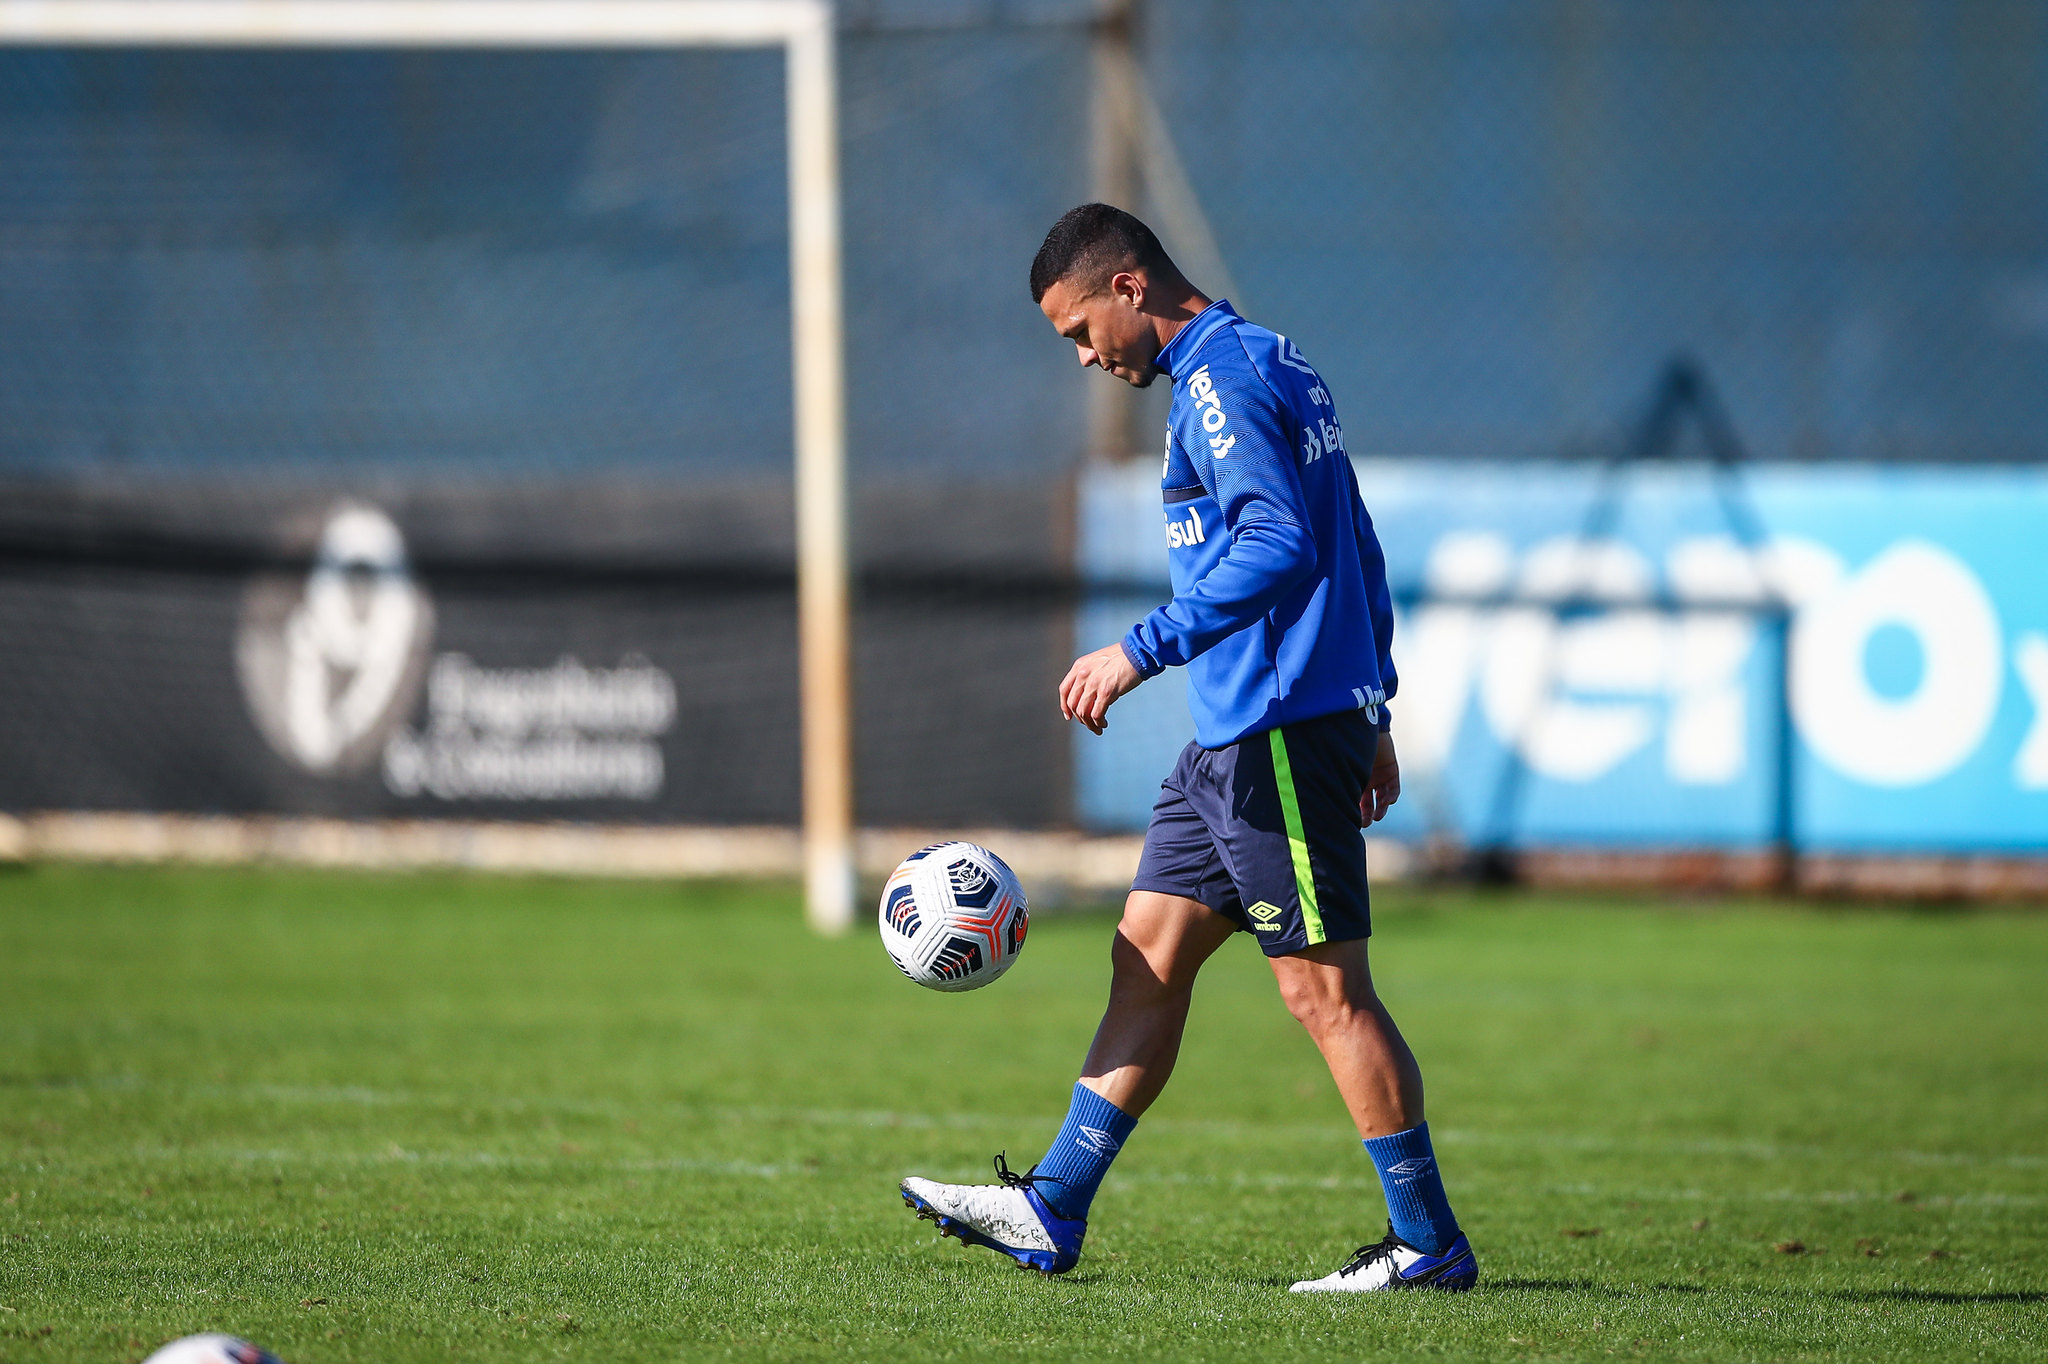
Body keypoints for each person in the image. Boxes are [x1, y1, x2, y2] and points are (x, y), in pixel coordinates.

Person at [899, 204, 1475, 1292]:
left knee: (1323, 994)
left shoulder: (1220, 382)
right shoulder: (1264, 360)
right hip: (1236, 740)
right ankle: (1052, 1206)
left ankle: (1426, 1242)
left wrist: (1140, 648)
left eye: (1080, 331)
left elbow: (1285, 539)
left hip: (1278, 729)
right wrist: (1378, 704)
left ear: (1128, 287)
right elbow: (1354, 536)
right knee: (1147, 959)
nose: (1083, 356)